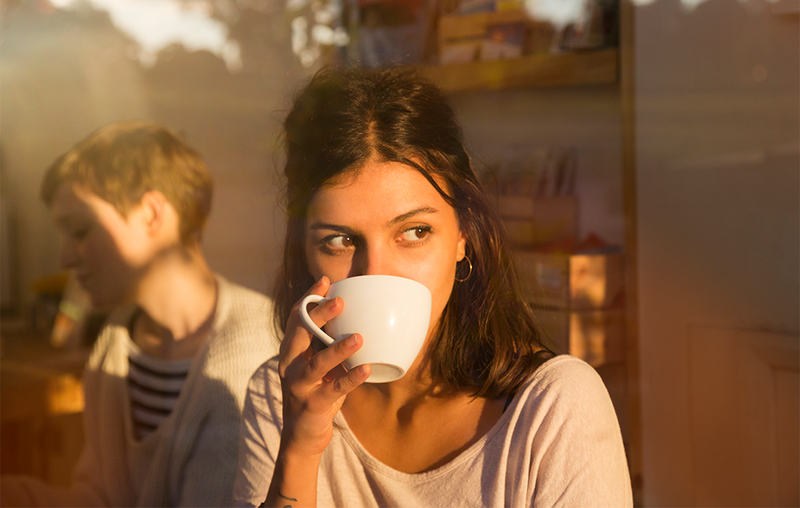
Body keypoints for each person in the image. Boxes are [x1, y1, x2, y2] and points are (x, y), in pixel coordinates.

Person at [232, 67, 633, 507]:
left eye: (415, 231)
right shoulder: (281, 399)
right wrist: (300, 450)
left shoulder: (551, 411)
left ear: (463, 235)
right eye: (340, 241)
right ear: (305, 254)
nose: (377, 272)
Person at [1, 121, 279, 507]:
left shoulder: (252, 357)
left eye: (80, 231)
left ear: (151, 214)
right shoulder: (117, 340)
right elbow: (101, 498)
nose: (65, 257)